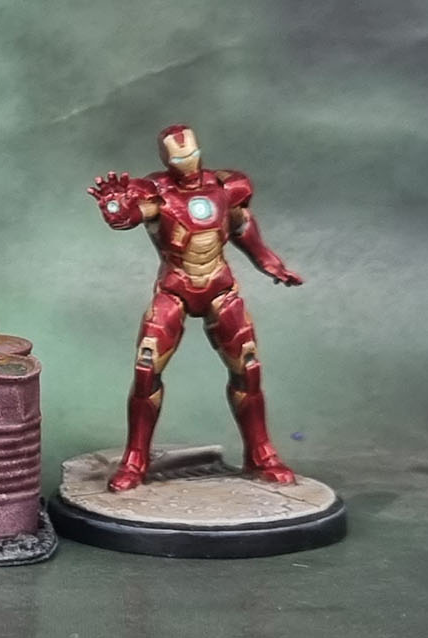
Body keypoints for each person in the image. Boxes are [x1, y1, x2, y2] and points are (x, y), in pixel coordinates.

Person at [87, 125, 304, 492]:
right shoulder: (156, 192)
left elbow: (243, 229)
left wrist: (271, 263)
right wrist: (114, 205)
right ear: (166, 160)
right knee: (146, 370)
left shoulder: (227, 187)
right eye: (178, 159)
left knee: (248, 369)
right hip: (175, 288)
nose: (187, 164)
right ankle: (135, 459)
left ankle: (261, 453)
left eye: (191, 155)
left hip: (220, 287)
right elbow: (129, 215)